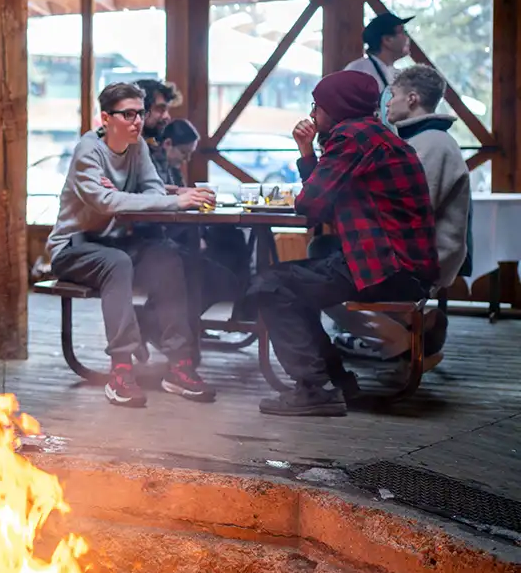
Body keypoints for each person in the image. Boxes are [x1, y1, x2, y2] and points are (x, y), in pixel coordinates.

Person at [248, 70, 438, 417]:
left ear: (335, 108)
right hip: (408, 267)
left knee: (271, 284)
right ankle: (334, 383)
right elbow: (328, 202)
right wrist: (309, 151)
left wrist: (306, 152)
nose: (313, 113)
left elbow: (312, 204)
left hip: (389, 268)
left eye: (317, 106)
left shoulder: (352, 138)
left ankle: (314, 388)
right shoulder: (376, 134)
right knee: (293, 285)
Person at [46, 82, 216, 409]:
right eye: (128, 114)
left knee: (168, 259)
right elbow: (106, 202)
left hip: (119, 243)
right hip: (74, 247)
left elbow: (149, 194)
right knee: (117, 264)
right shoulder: (88, 150)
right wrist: (160, 200)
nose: (137, 121)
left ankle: (179, 365)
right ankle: (121, 370)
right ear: (106, 118)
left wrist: (132, 199)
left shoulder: (138, 149)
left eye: (140, 113)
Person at [332, 65, 470, 371]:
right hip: (414, 253)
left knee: (319, 270)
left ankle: (398, 341)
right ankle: (404, 330)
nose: (386, 103)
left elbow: (409, 210)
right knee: (328, 256)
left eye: (391, 95)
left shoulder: (431, 144)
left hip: (421, 260)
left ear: (412, 98)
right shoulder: (423, 140)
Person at [153, 119, 198, 189]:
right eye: (183, 152)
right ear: (167, 144)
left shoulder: (173, 168)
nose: (187, 159)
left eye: (190, 154)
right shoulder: (151, 164)